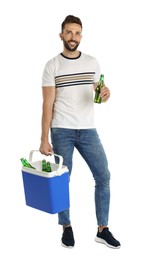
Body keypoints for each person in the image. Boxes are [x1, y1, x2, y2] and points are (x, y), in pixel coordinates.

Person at [39, 15, 121, 249]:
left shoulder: (92, 63)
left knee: (103, 176)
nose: (73, 37)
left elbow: (99, 92)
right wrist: (44, 138)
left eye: (77, 33)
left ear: (81, 36)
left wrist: (106, 94)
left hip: (88, 129)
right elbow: (47, 104)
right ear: (61, 35)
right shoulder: (52, 65)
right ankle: (66, 227)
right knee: (62, 180)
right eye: (69, 32)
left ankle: (102, 229)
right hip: (61, 128)